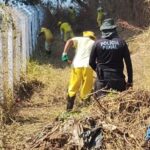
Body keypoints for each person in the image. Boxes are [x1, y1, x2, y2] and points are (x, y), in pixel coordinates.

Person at [89, 18, 133, 99]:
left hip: (102, 81)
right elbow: (128, 64)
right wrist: (130, 81)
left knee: (102, 107)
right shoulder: (122, 42)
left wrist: (99, 72)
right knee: (119, 107)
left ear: (102, 30)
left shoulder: (97, 43)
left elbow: (91, 62)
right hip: (118, 80)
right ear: (114, 29)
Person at [61, 31, 96, 111]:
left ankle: (69, 109)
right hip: (88, 66)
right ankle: (85, 109)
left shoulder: (79, 39)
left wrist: (64, 54)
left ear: (85, 36)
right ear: (92, 37)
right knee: (87, 87)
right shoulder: (94, 42)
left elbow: (69, 41)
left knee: (73, 86)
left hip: (77, 65)